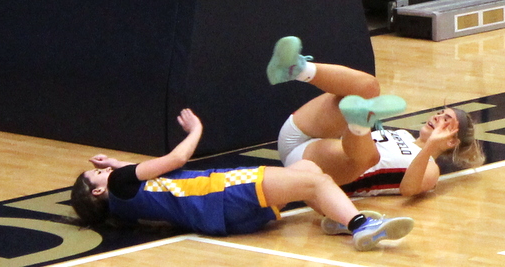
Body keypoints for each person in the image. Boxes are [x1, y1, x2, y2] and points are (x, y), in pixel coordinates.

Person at [70, 108, 414, 251]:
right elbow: (174, 160)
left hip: (221, 216)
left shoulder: (124, 206)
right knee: (318, 182)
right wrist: (196, 130)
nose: (106, 170)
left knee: (309, 171)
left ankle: (337, 219)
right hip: (223, 192)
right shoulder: (120, 183)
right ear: (99, 190)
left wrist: (114, 163)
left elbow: (146, 177)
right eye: (99, 173)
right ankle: (360, 226)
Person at [268, 36, 485, 197]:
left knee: (370, 157)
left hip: (315, 169)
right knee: (369, 88)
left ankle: (359, 123)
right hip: (303, 138)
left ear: (452, 141)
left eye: (446, 121)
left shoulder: (431, 169)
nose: (438, 117)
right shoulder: (403, 134)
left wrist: (429, 148)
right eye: (440, 113)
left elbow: (408, 189)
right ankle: (297, 69)